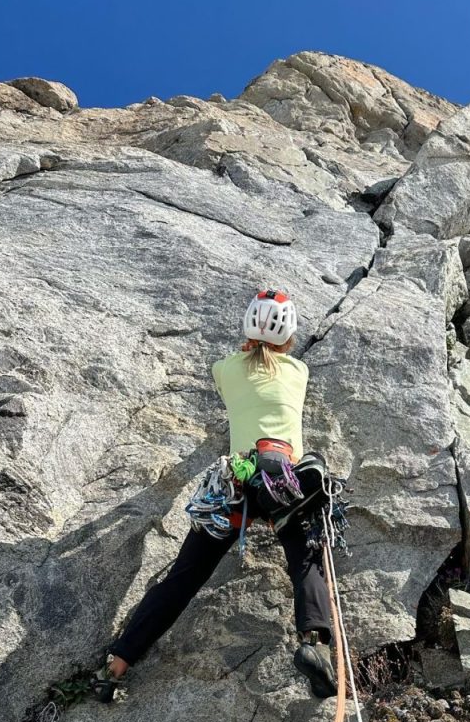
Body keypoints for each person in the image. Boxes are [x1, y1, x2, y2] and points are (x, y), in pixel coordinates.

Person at [96, 290, 337, 701]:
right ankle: (314, 644)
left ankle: (117, 664)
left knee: (186, 575)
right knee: (307, 557)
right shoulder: (298, 370)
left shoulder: (225, 369)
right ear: (289, 339)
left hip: (240, 482)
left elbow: (234, 387)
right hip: (286, 484)